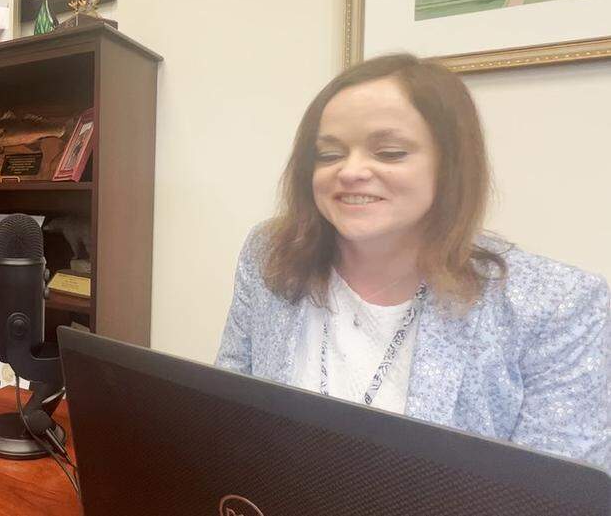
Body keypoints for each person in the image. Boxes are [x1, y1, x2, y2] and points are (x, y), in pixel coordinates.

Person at [215, 53, 609, 471]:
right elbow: (228, 418)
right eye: (329, 155)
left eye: (389, 152)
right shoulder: (271, 254)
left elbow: (554, 500)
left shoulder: (559, 306)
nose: (350, 171)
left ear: (450, 166)